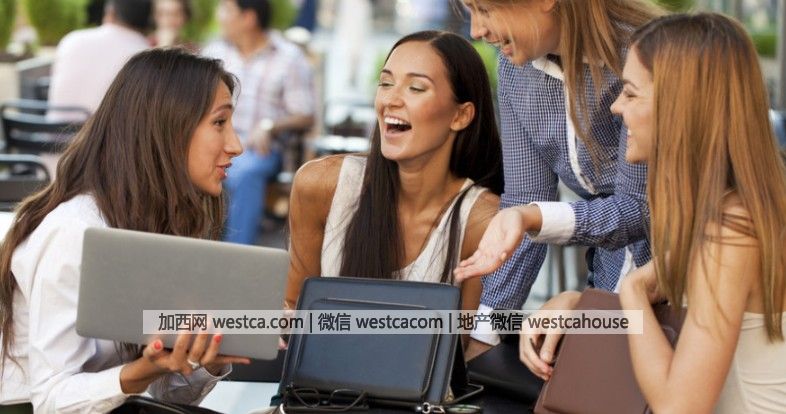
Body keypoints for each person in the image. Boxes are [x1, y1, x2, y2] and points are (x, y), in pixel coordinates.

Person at [0, 49, 249, 412]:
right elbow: (52, 400)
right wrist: (137, 374)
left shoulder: (153, 224)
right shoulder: (74, 232)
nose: (236, 145)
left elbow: (168, 394)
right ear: (166, 128)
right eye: (219, 122)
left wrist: (204, 359)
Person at [453, 0, 663, 359]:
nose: (476, 31)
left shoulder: (641, 56)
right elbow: (524, 199)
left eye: (484, 9)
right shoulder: (516, 71)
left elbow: (638, 209)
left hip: (677, 284)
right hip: (608, 288)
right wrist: (485, 334)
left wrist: (533, 217)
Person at [614, 14, 786, 412]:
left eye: (631, 94)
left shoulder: (732, 229)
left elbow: (679, 408)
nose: (616, 106)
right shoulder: (741, 210)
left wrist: (632, 291)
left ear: (681, 107)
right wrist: (578, 307)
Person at [284, 30, 503, 318]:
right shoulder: (320, 184)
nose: (391, 99)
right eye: (386, 83)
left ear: (460, 116)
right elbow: (293, 307)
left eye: (416, 88)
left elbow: (468, 341)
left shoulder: (482, 221)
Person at [202, 0, 316, 245]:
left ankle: (235, 257)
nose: (220, 16)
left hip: (262, 149)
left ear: (248, 18)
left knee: (244, 172)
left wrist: (269, 126)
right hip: (214, 144)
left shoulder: (289, 57)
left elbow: (306, 114)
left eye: (227, 10)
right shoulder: (214, 52)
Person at [48, 0, 152, 121]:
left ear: (110, 12)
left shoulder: (71, 39)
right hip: (103, 132)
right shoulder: (143, 53)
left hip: (48, 130)